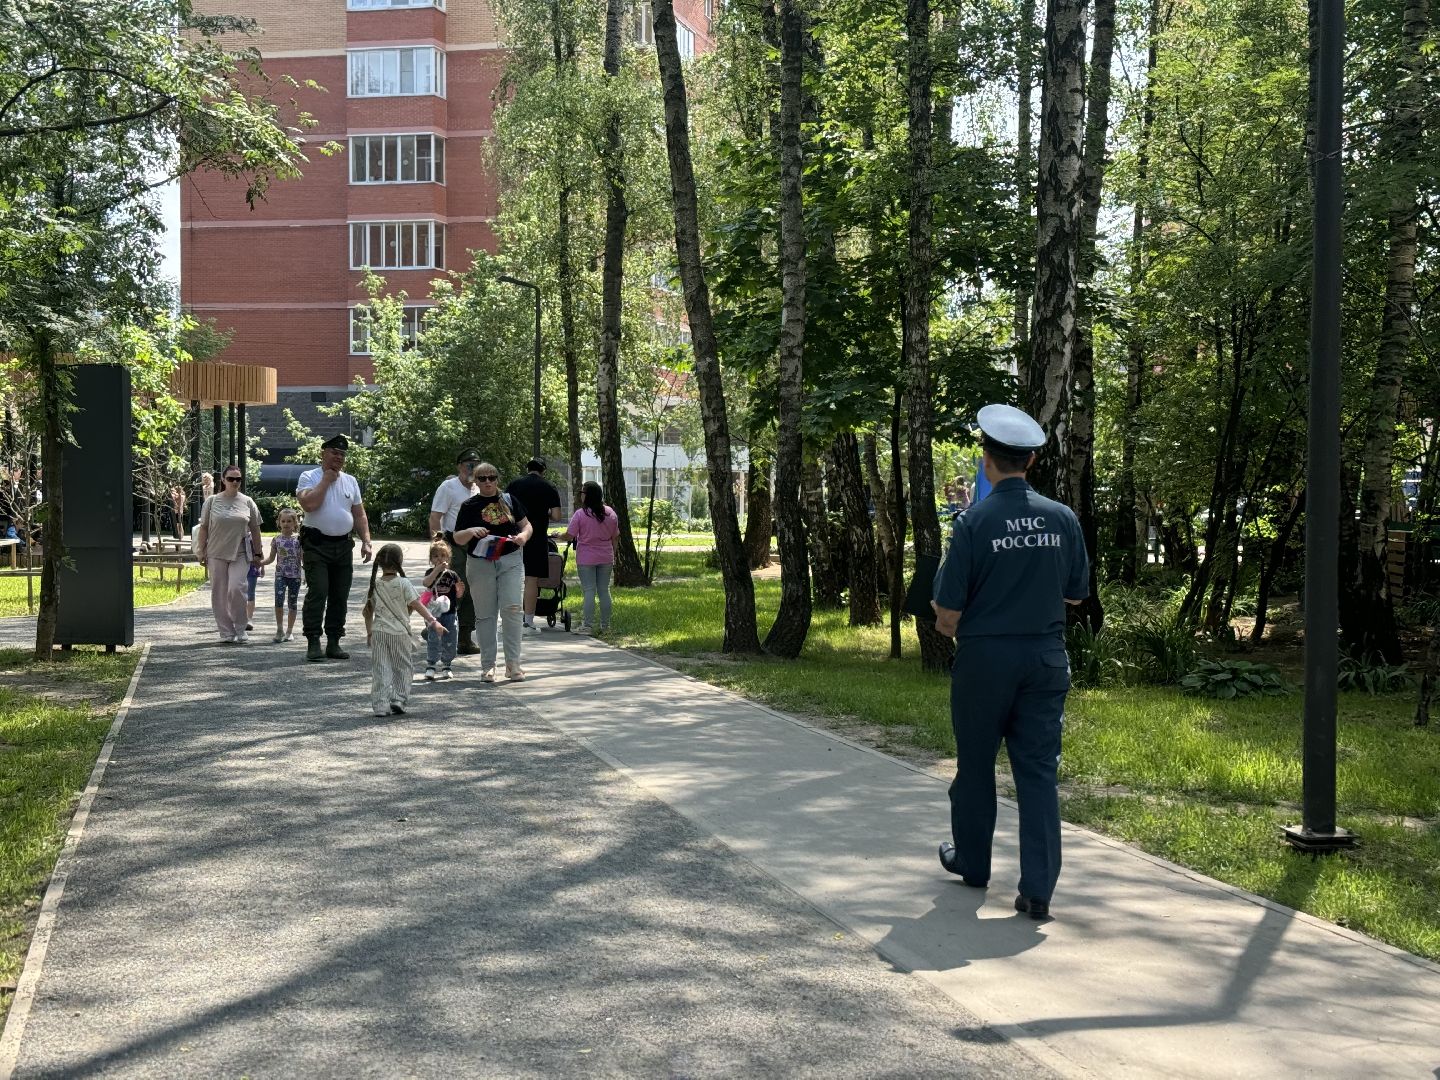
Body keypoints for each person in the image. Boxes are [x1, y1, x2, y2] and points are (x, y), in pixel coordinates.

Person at [930, 404, 1089, 921]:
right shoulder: (1062, 518)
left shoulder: (974, 521)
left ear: (987, 460)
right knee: (1039, 773)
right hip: (1045, 659)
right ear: (1033, 460)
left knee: (976, 766)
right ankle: (1038, 889)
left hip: (986, 661)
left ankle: (973, 865)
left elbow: (947, 611)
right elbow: (1074, 596)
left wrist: (956, 622)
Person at [453, 463, 533, 682]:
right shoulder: (469, 505)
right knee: (486, 614)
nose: (487, 482)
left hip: (510, 559)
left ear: (498, 479)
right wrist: (470, 531)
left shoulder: (509, 500)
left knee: (513, 609)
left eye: (492, 477)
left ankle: (513, 665)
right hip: (480, 563)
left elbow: (527, 526)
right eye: (482, 478)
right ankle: (488, 666)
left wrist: (523, 537)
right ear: (475, 482)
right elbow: (457, 538)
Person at [297, 434, 373, 661]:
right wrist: (326, 481)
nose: (338, 457)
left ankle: (333, 641)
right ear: (323, 453)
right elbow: (309, 504)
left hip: (342, 545)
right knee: (319, 591)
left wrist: (366, 541)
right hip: (316, 545)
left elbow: (359, 514)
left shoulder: (350, 481)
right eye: (334, 452)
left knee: (340, 595)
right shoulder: (309, 477)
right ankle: (313, 641)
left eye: (342, 454)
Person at [361, 543, 444, 717]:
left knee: (381, 669)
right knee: (403, 668)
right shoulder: (403, 583)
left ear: (379, 563)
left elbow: (367, 612)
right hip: (399, 633)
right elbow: (417, 604)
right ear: (400, 561)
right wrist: (433, 621)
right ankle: (398, 699)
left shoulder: (374, 584)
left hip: (379, 633)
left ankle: (380, 706)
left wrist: (369, 632)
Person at [195, 465, 265, 644]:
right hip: (216, 552)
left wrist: (258, 553)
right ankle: (226, 632)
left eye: (238, 479)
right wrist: (200, 550)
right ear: (223, 481)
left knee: (237, 588)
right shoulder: (212, 501)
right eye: (231, 479)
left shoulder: (248, 501)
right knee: (219, 592)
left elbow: (255, 529)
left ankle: (241, 627)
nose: (235, 482)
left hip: (240, 552)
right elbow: (204, 528)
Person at [428, 449, 481, 655]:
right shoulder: (449, 487)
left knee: (473, 591)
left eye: (476, 464)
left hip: (476, 546)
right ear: (459, 466)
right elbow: (435, 517)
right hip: (453, 544)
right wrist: (438, 547)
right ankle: (435, 626)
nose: (472, 468)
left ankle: (465, 638)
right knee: (454, 589)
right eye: (469, 464)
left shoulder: (479, 488)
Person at [506, 457, 563, 634]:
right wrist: (543, 511)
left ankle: (508, 621)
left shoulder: (514, 484)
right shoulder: (549, 487)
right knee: (532, 579)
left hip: (514, 535)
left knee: (509, 578)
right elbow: (557, 516)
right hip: (537, 537)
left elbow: (503, 508)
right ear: (543, 470)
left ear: (528, 468)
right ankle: (528, 622)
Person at [557, 480, 619, 634]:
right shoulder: (610, 513)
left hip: (586, 558)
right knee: (604, 591)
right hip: (606, 556)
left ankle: (587, 626)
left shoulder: (581, 514)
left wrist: (558, 535)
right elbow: (615, 536)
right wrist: (614, 554)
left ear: (587, 496)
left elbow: (570, 536)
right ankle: (606, 626)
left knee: (589, 590)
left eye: (582, 493)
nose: (581, 496)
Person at [420, 539, 464, 680]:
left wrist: (460, 591)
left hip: (450, 613)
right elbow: (426, 582)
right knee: (434, 639)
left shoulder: (452, 574)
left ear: (448, 557)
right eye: (436, 556)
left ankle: (447, 664)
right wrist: (437, 571)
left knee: (450, 639)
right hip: (434, 614)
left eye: (443, 555)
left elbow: (458, 594)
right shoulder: (430, 572)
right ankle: (431, 665)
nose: (440, 558)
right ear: (431, 559)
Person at [263, 508, 304, 642]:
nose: (286, 524)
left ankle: (289, 631)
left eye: (289, 521)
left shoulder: (298, 540)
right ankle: (279, 629)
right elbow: (270, 558)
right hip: (280, 574)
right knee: (279, 601)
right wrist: (259, 563)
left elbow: (303, 558)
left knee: (292, 603)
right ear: (279, 523)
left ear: (294, 523)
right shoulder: (276, 539)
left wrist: (309, 573)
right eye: (283, 521)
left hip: (295, 576)